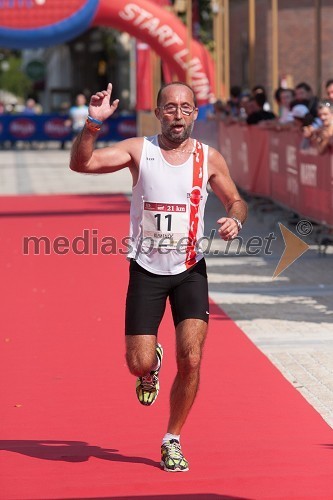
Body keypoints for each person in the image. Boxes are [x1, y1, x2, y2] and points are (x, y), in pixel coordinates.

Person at [69, 82, 248, 472]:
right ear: (158, 112)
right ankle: (149, 369)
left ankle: (172, 439)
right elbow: (82, 164)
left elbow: (236, 199)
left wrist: (234, 218)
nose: (178, 115)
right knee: (137, 362)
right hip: (146, 271)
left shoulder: (209, 158)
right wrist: (92, 125)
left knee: (193, 357)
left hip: (189, 270)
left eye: (186, 108)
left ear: (195, 114)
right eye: (170, 108)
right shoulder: (139, 150)